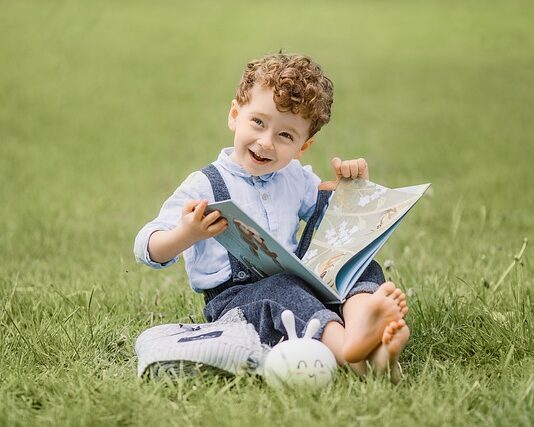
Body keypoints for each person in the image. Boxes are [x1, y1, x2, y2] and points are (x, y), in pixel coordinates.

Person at [134, 53, 410, 382]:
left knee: (357, 261)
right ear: (235, 115)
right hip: (237, 303)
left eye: (285, 136)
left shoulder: (295, 177)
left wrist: (352, 188)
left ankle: (367, 326)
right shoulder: (205, 185)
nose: (266, 142)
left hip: (301, 285)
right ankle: (351, 349)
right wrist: (186, 234)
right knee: (281, 290)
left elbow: (334, 223)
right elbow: (146, 247)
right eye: (258, 123)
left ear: (302, 147)